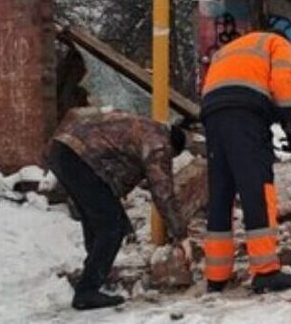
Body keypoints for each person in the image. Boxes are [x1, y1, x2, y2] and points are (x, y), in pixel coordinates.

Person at [46, 107, 190, 310]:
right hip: (80, 158)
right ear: (173, 149)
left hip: (63, 149)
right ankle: (87, 291)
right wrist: (181, 235)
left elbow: (112, 168)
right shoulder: (159, 145)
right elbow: (163, 193)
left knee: (97, 220)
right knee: (112, 227)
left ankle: (94, 276)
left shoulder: (146, 127)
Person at [200, 30, 291, 294]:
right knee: (257, 189)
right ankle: (265, 271)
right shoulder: (278, 43)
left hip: (212, 114)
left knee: (221, 191)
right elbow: (283, 81)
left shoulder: (229, 51)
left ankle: (216, 274)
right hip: (245, 114)